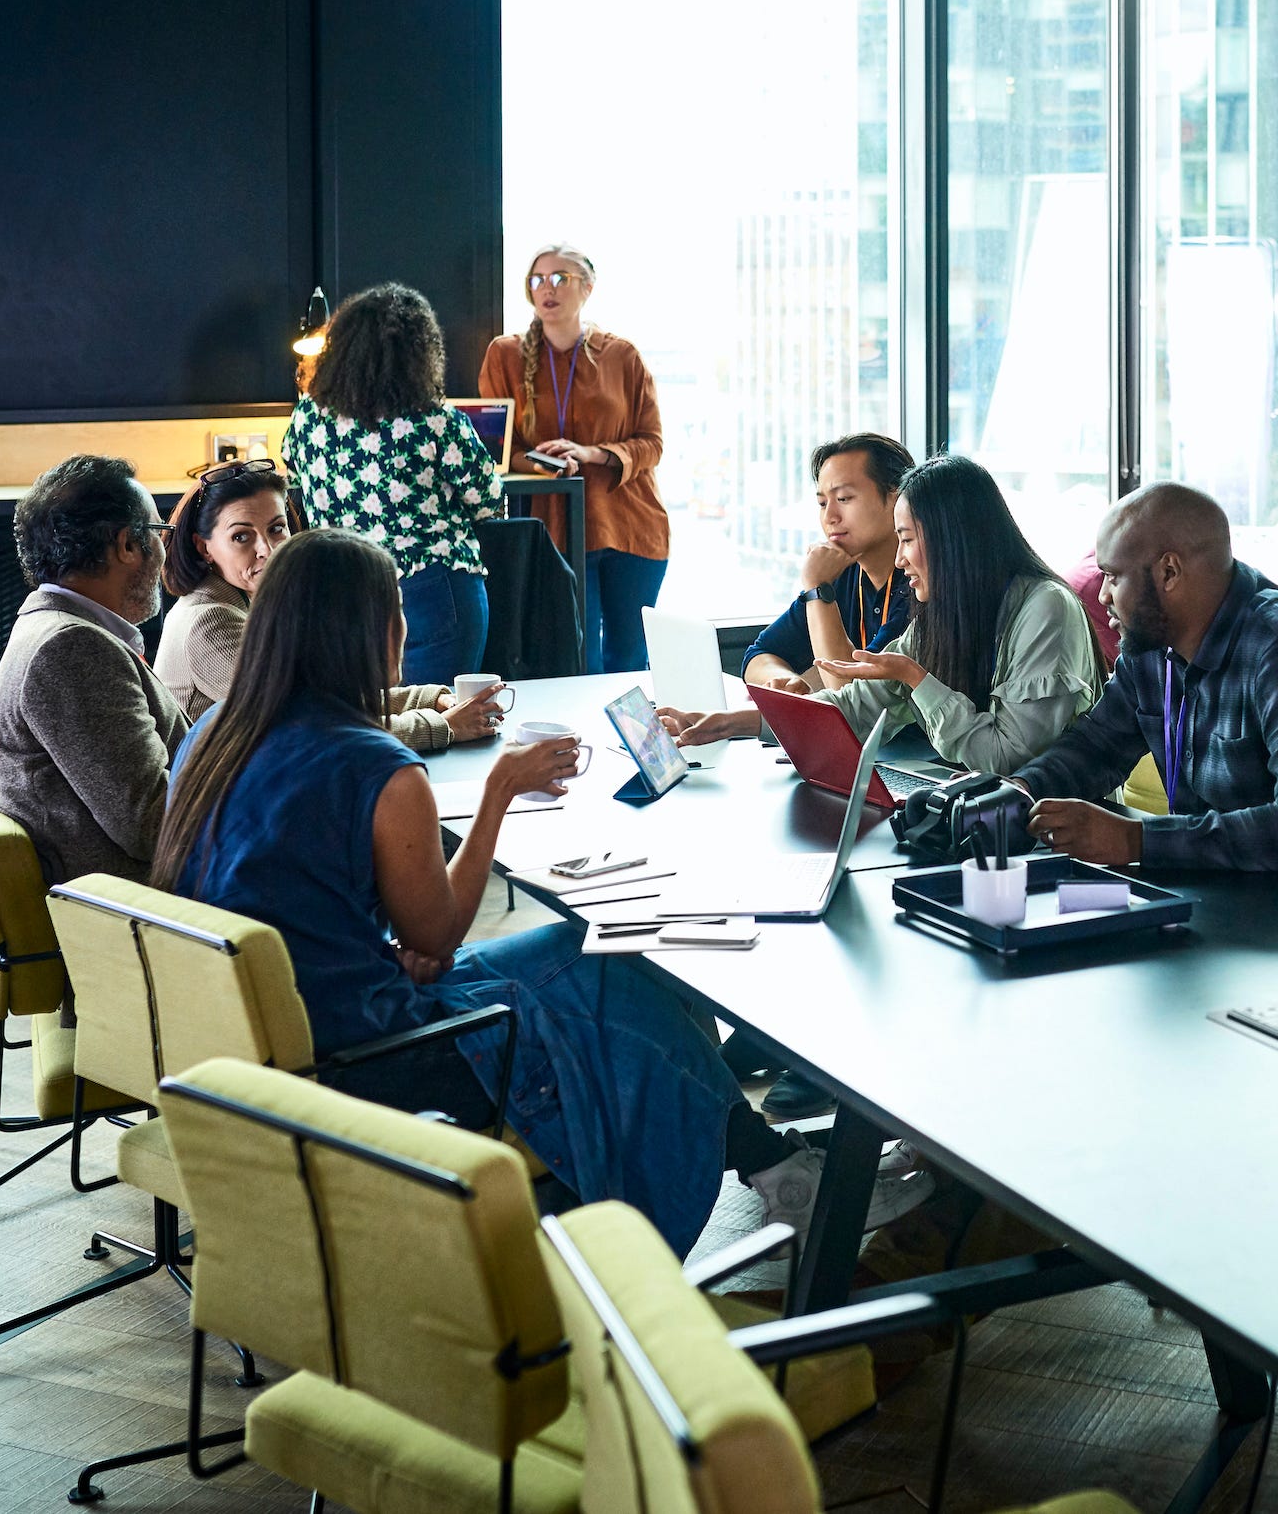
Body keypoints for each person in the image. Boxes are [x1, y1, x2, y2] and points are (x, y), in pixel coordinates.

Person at [154, 529, 931, 1252]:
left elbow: (291, 893)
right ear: (363, 629)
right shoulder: (372, 764)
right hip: (378, 1057)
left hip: (270, 1044)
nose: (404, 628)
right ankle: (770, 1178)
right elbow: (437, 935)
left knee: (598, 959)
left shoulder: (215, 731)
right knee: (613, 970)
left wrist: (386, 946)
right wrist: (498, 793)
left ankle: (768, 1165)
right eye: (395, 611)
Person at [1014, 483, 1278, 909]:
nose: (1103, 595)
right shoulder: (1154, 646)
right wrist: (1018, 790)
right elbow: (1098, 745)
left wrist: (1136, 840)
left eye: (1112, 576)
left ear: (1169, 572)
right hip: (1256, 904)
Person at [664, 455, 1100, 778]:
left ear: (953, 542)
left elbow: (1008, 760)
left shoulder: (1045, 608)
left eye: (907, 540)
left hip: (1053, 835)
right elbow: (853, 708)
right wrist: (724, 724)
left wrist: (916, 678)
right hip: (980, 814)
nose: (900, 559)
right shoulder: (944, 610)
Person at [150, 457, 507, 750]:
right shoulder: (210, 621)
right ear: (203, 547)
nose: (267, 549)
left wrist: (429, 700)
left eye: (276, 529)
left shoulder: (249, 601)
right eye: (241, 536)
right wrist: (441, 726)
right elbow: (313, 724)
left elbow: (324, 698)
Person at [0, 455, 187, 885]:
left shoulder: (52, 628)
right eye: (161, 532)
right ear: (129, 544)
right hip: (141, 909)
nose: (165, 551)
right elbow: (150, 826)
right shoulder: (72, 649)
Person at [287, 283, 503, 687]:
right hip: (430, 588)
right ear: (420, 354)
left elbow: (296, 477)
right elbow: (488, 500)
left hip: (342, 587)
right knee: (442, 722)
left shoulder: (308, 418)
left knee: (362, 725)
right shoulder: (435, 421)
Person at [478, 245, 669, 674]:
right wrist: (542, 463)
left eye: (560, 278)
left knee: (630, 660)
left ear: (587, 287)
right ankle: (583, 744)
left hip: (631, 528)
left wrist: (593, 454)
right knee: (578, 662)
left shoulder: (621, 355)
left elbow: (652, 443)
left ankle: (631, 743)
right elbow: (492, 447)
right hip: (556, 532)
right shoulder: (504, 355)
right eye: (537, 279)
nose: (547, 288)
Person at [740, 433, 917, 694]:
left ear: (896, 497)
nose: (830, 516)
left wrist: (817, 588)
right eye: (822, 502)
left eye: (844, 499)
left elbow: (853, 695)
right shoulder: (841, 572)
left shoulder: (921, 580)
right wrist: (787, 682)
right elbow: (758, 655)